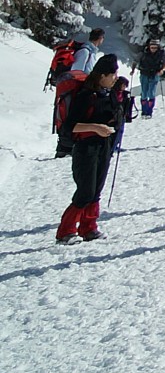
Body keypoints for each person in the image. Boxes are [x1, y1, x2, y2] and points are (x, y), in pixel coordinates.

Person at [56, 54, 123, 242]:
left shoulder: (108, 94)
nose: (115, 77)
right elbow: (69, 127)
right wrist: (95, 128)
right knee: (85, 191)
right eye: (113, 74)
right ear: (102, 76)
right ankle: (65, 231)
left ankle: (89, 228)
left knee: (96, 191)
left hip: (104, 147)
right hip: (86, 149)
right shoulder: (87, 95)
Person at [135, 38, 165, 118]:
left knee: (151, 92)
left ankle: (149, 112)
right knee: (144, 92)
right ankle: (144, 111)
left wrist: (162, 70)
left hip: (155, 74)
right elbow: (136, 60)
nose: (153, 49)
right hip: (144, 73)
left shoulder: (161, 53)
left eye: (155, 47)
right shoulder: (144, 52)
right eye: (152, 47)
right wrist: (133, 69)